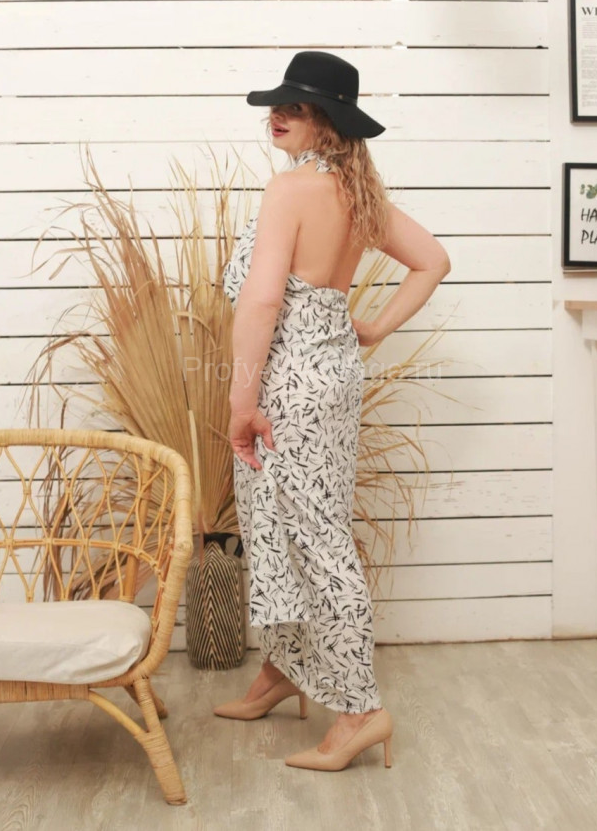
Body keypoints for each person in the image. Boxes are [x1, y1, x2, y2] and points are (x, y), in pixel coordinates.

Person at [219, 51, 451, 771]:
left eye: (297, 106)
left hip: (286, 384)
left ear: (330, 123)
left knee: (315, 542)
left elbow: (262, 300)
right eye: (277, 104)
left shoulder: (290, 190)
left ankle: (359, 711)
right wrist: (371, 329)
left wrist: (241, 399)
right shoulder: (358, 194)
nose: (277, 115)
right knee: (283, 528)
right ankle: (284, 669)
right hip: (332, 378)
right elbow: (433, 260)